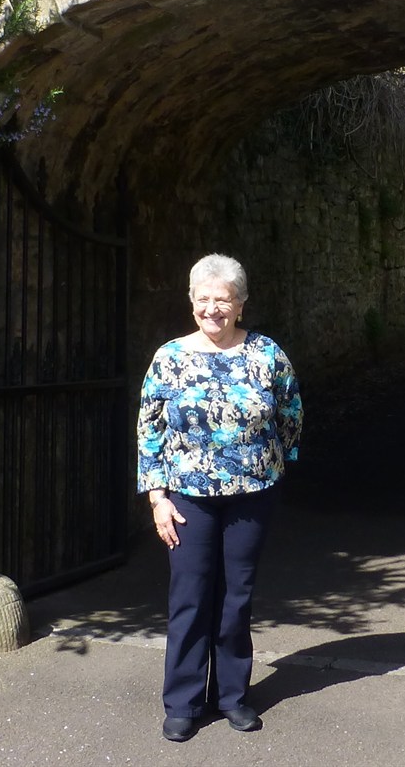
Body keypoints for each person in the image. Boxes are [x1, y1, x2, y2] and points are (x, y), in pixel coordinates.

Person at [136, 253, 303, 743]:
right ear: (191, 303)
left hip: (251, 496)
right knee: (189, 596)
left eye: (222, 300)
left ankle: (232, 696)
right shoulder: (169, 357)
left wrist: (276, 465)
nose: (212, 309)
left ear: (240, 305)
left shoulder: (267, 354)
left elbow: (290, 411)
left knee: (236, 598)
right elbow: (149, 428)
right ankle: (183, 701)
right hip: (187, 498)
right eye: (203, 299)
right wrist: (156, 497)